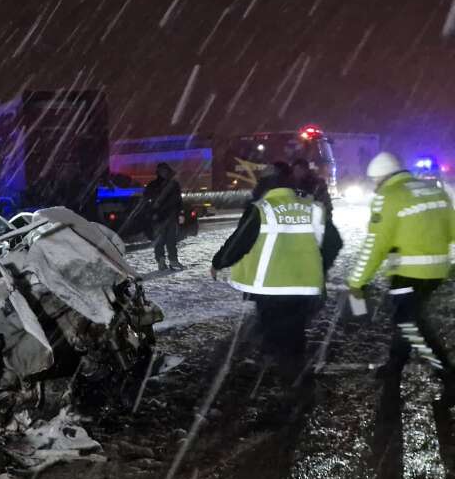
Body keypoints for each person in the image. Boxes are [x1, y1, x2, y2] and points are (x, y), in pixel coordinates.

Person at [210, 166, 342, 383]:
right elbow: (334, 242)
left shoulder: (262, 209)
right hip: (304, 285)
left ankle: (289, 378)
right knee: (295, 330)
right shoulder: (312, 208)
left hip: (271, 286)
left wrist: (218, 262)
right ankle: (292, 370)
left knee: (274, 330)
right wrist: (319, 265)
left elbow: (239, 242)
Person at [347, 152, 454, 395]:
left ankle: (448, 374)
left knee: (410, 326)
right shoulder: (433, 189)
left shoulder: (389, 196)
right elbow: (452, 229)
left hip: (408, 273)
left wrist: (356, 281)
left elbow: (376, 244)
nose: (375, 187)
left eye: (375, 182)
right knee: (407, 319)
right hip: (437, 271)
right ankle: (395, 366)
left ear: (382, 177)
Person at [142, 161, 184, 271]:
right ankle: (161, 261)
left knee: (171, 240)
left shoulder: (173, 185)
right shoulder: (156, 185)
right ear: (158, 172)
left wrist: (180, 213)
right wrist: (152, 212)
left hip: (169, 216)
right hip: (159, 217)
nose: (163, 173)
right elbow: (146, 200)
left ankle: (172, 260)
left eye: (165, 170)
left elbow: (178, 201)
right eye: (161, 171)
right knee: (160, 241)